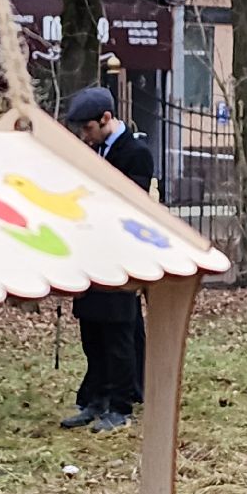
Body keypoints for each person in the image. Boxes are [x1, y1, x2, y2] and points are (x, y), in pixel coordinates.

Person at [60, 85, 153, 433]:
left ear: (106, 119)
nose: (84, 136)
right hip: (91, 255)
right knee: (92, 333)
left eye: (88, 128)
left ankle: (120, 406)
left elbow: (132, 204)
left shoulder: (135, 153)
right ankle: (95, 400)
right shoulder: (93, 153)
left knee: (118, 335)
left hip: (120, 259)